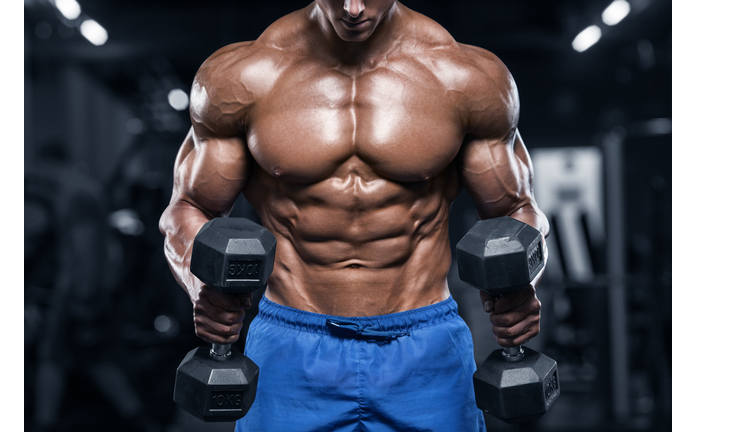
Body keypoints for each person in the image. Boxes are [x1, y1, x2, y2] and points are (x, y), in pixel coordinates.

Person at [159, 1, 549, 431]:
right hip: (291, 344)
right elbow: (189, 207)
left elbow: (515, 210)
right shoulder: (243, 76)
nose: (353, 8)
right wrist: (202, 288)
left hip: (424, 345)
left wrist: (520, 286)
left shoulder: (465, 77)